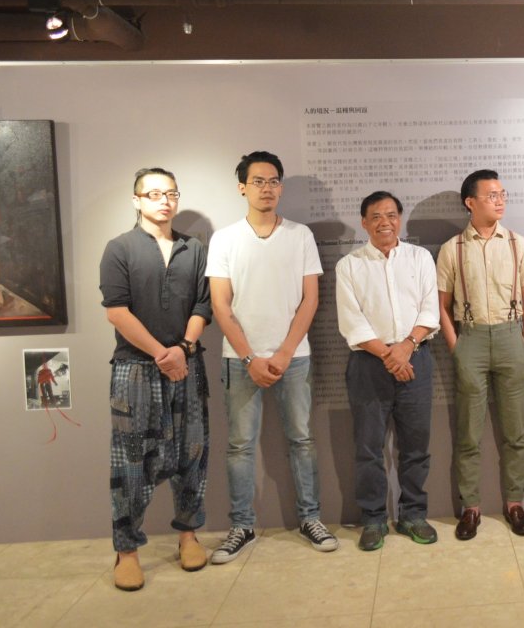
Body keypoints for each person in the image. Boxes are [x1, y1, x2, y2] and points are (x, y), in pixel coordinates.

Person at [206, 151, 337, 563]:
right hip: (240, 359)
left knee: (302, 440)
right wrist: (251, 358)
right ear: (242, 187)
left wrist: (283, 352)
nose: (267, 188)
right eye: (258, 181)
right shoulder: (225, 238)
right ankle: (241, 526)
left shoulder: (300, 235)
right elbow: (220, 305)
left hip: (294, 357)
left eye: (273, 181)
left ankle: (311, 518)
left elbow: (310, 299)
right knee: (240, 446)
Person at [99, 167, 211, 591]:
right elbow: (116, 311)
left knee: (192, 453)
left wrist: (182, 348)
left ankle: (189, 534)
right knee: (130, 463)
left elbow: (203, 305)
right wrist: (161, 355)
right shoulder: (119, 248)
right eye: (154, 194)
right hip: (135, 369)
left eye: (171, 193)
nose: (164, 201)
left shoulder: (193, 248)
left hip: (187, 364)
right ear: (137, 200)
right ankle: (127, 551)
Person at [436, 170, 524, 540]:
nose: (500, 201)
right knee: (468, 433)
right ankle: (471, 508)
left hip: (511, 337)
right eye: (492, 195)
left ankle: (515, 504)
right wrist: (457, 347)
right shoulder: (452, 248)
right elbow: (442, 305)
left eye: (502, 194)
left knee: (515, 432)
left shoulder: (516, 243)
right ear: (471, 202)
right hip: (472, 339)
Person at [336, 191, 440, 551]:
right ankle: (374, 519)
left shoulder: (420, 257)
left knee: (416, 446)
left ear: (400, 219)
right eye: (377, 216)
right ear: (364, 223)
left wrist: (406, 347)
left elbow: (430, 309)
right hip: (369, 364)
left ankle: (413, 514)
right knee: (368, 448)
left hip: (416, 357)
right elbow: (352, 322)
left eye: (392, 215)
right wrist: (389, 355)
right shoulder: (349, 265)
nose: (385, 222)